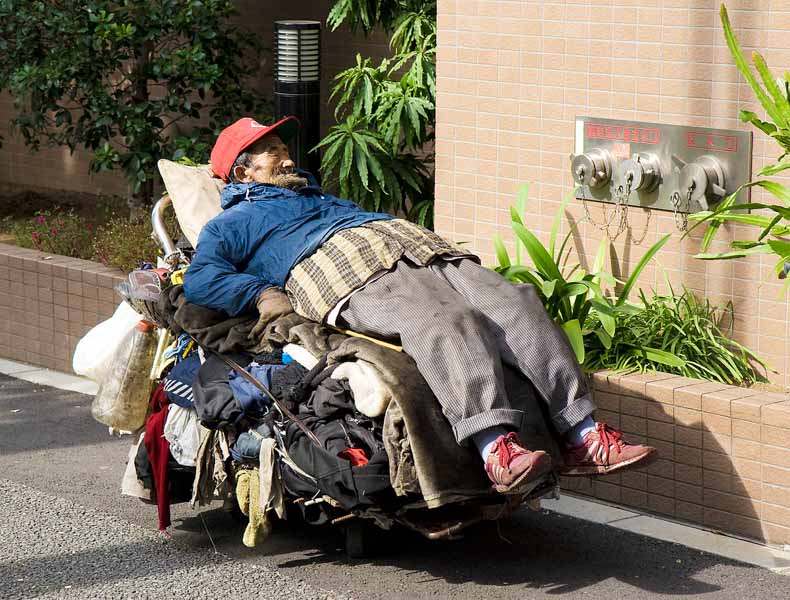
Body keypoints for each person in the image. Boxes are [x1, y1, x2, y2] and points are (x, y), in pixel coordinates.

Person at [183, 116, 656, 494]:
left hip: (419, 247)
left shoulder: (318, 195)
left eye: (285, 150)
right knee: (446, 321)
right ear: (242, 172)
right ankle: (497, 450)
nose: (286, 158)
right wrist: (261, 294)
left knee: (516, 303)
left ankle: (584, 435)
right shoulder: (233, 222)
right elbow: (202, 280)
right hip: (348, 269)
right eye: (272, 154)